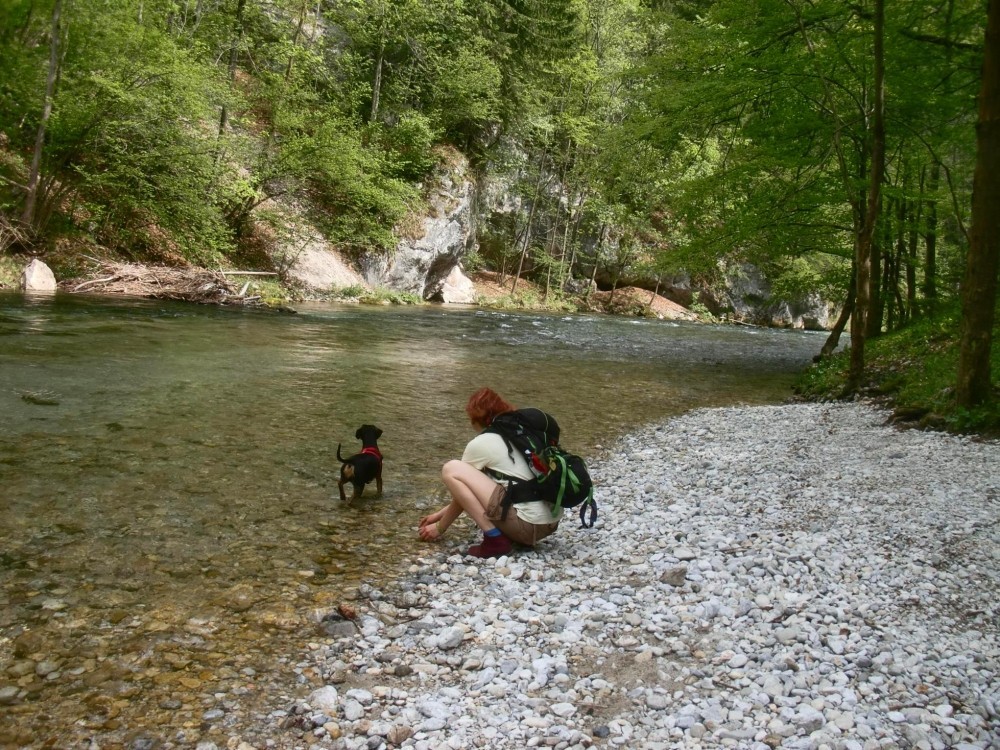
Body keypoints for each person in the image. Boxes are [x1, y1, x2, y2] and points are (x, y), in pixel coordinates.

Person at [418, 387, 562, 558]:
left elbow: (461, 493)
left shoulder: (481, 443)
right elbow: (472, 492)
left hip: (526, 527)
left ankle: (495, 540)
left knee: (451, 468)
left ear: (475, 419)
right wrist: (439, 514)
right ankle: (503, 536)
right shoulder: (522, 433)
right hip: (550, 524)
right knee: (484, 476)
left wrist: (440, 527)